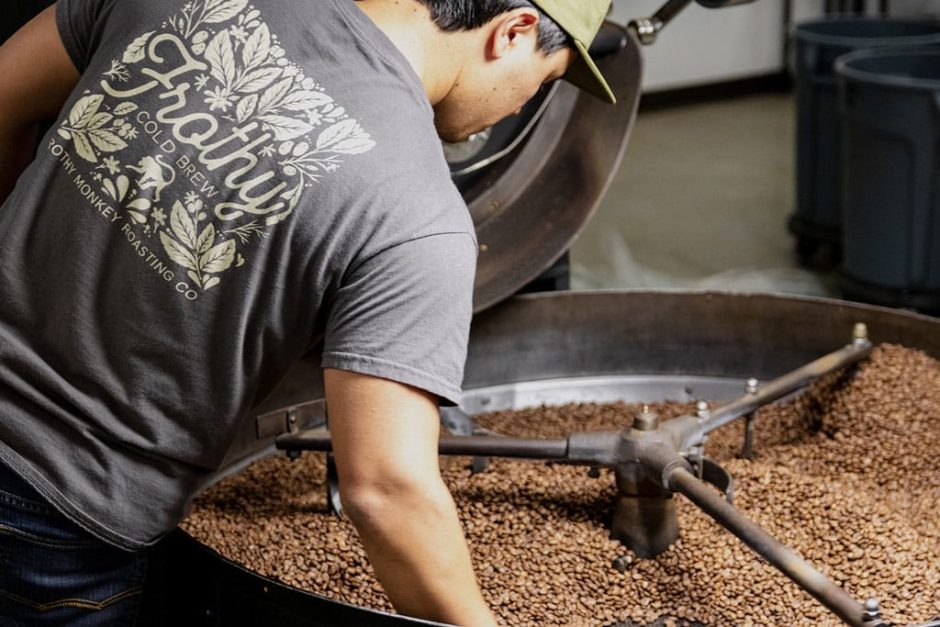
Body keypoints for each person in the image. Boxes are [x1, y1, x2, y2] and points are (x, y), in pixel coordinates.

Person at [0, 0, 614, 624]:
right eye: (544, 82)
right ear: (512, 33)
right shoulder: (417, 215)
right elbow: (384, 491)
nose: (520, 106)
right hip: (55, 522)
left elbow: (4, 93)